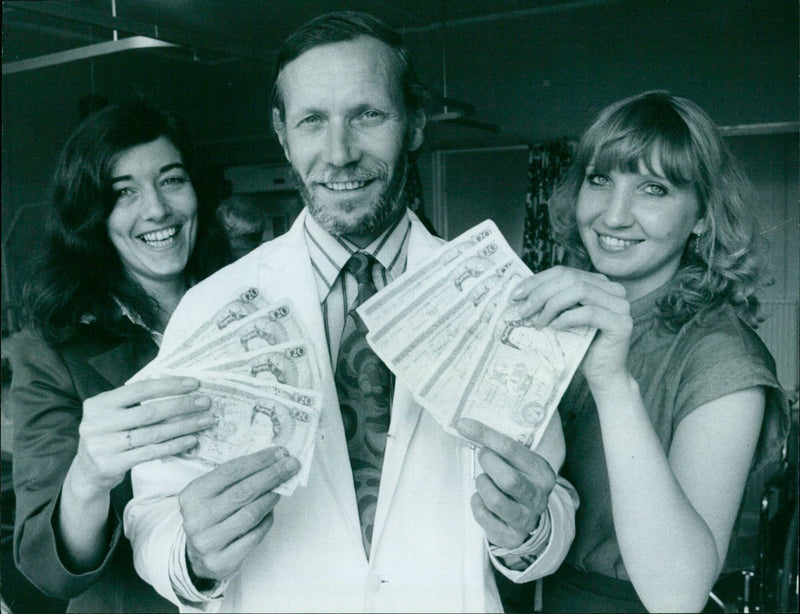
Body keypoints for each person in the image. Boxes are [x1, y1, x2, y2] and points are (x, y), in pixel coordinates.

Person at [124, 11, 578, 612]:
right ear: (283, 134)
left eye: (368, 114)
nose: (339, 154)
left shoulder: (500, 301)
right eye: (313, 120)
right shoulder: (213, 307)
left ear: (414, 123)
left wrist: (531, 532)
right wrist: (192, 556)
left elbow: (552, 492)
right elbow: (151, 509)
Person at [510, 91, 789, 612]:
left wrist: (614, 384)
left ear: (703, 215)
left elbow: (677, 594)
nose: (614, 216)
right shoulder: (560, 313)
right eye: (600, 180)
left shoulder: (723, 357)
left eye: (653, 189)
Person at [8, 100, 231, 612]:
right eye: (123, 192)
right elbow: (46, 567)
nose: (156, 209)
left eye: (171, 180)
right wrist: (89, 474)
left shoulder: (248, 301)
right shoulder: (49, 349)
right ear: (91, 215)